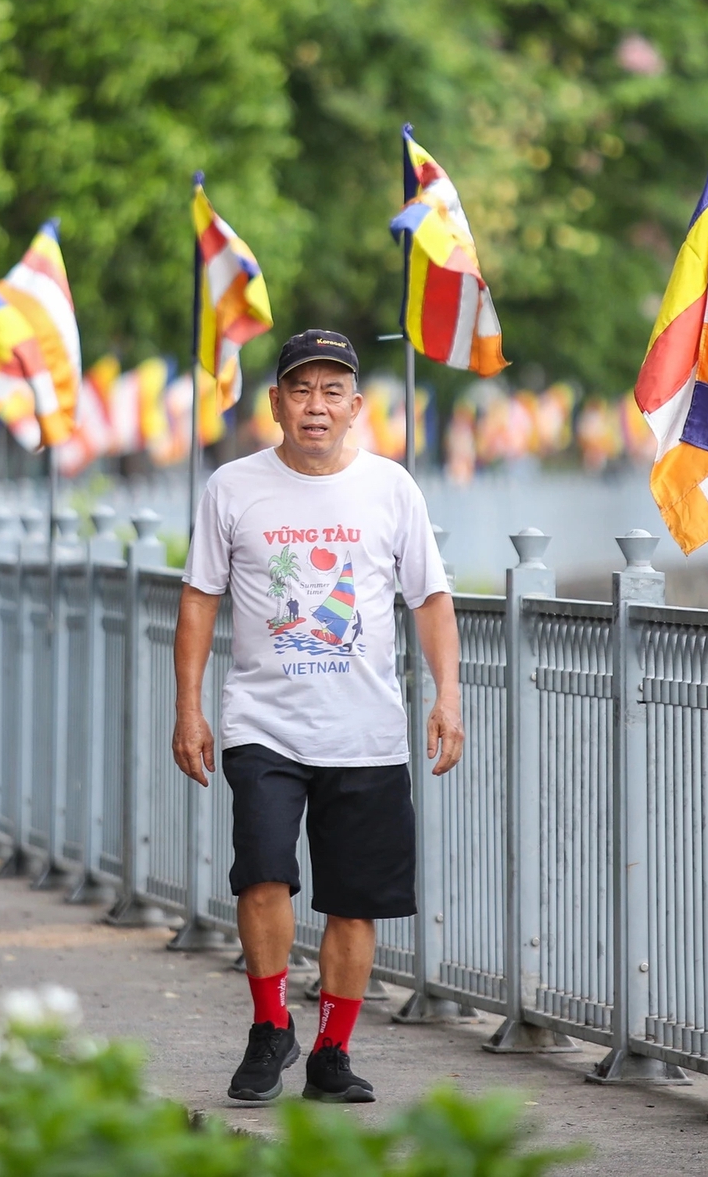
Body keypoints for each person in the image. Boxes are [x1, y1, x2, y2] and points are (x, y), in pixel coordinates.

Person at [174, 329, 463, 1105]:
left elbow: (430, 599)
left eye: (332, 391)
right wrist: (189, 709)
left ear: (357, 407)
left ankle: (333, 1052)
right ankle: (271, 1027)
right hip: (261, 723)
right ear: (275, 402)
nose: (316, 405)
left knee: (354, 898)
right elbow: (200, 599)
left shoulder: (391, 488)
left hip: (365, 730)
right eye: (301, 389)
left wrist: (449, 696)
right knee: (263, 875)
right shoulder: (232, 488)